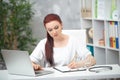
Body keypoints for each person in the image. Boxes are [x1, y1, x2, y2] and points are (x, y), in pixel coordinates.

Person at [30, 13, 96, 71]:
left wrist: (79, 64)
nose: (54, 32)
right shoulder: (43, 43)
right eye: (50, 30)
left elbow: (92, 60)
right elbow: (29, 61)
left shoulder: (73, 41)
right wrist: (33, 65)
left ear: (61, 25)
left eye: (56, 27)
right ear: (47, 31)